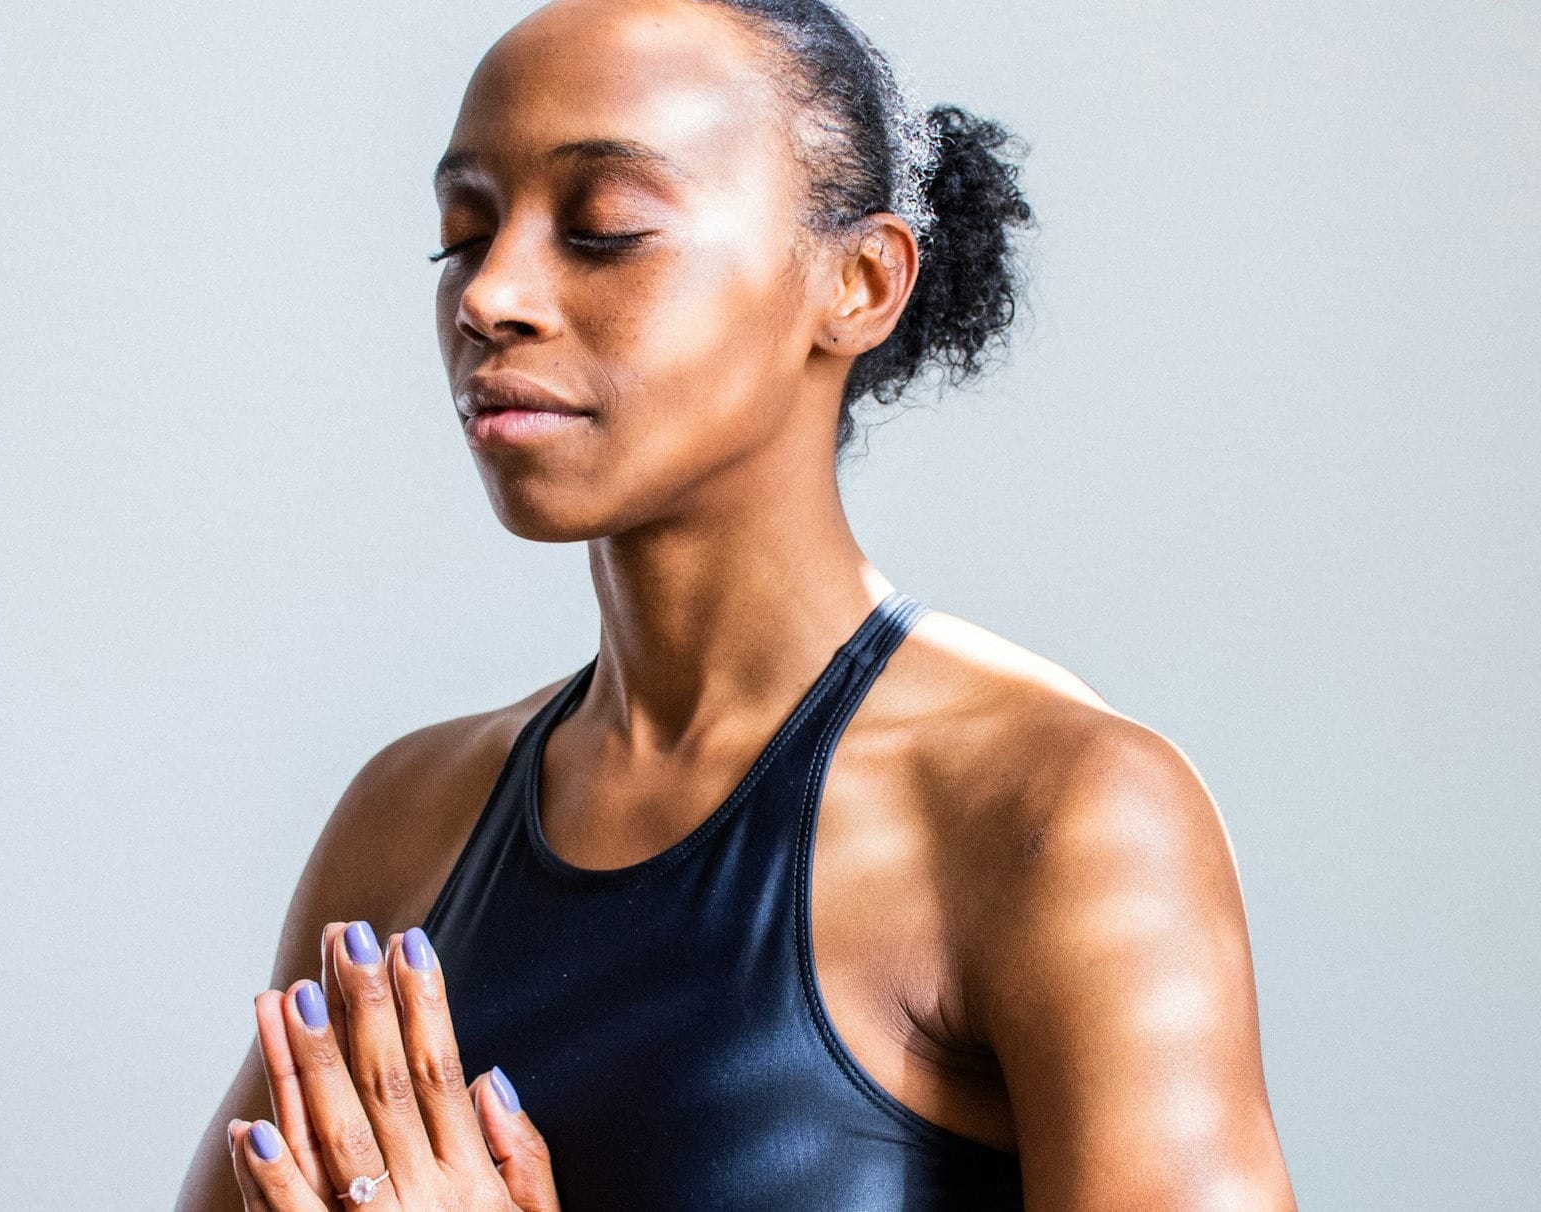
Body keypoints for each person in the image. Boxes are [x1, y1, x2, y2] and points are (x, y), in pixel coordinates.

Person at [179, 0, 1296, 1207]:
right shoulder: (406, 823)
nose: (489, 295)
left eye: (603, 229)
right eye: (463, 232)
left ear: (859, 282)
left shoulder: (1058, 818)